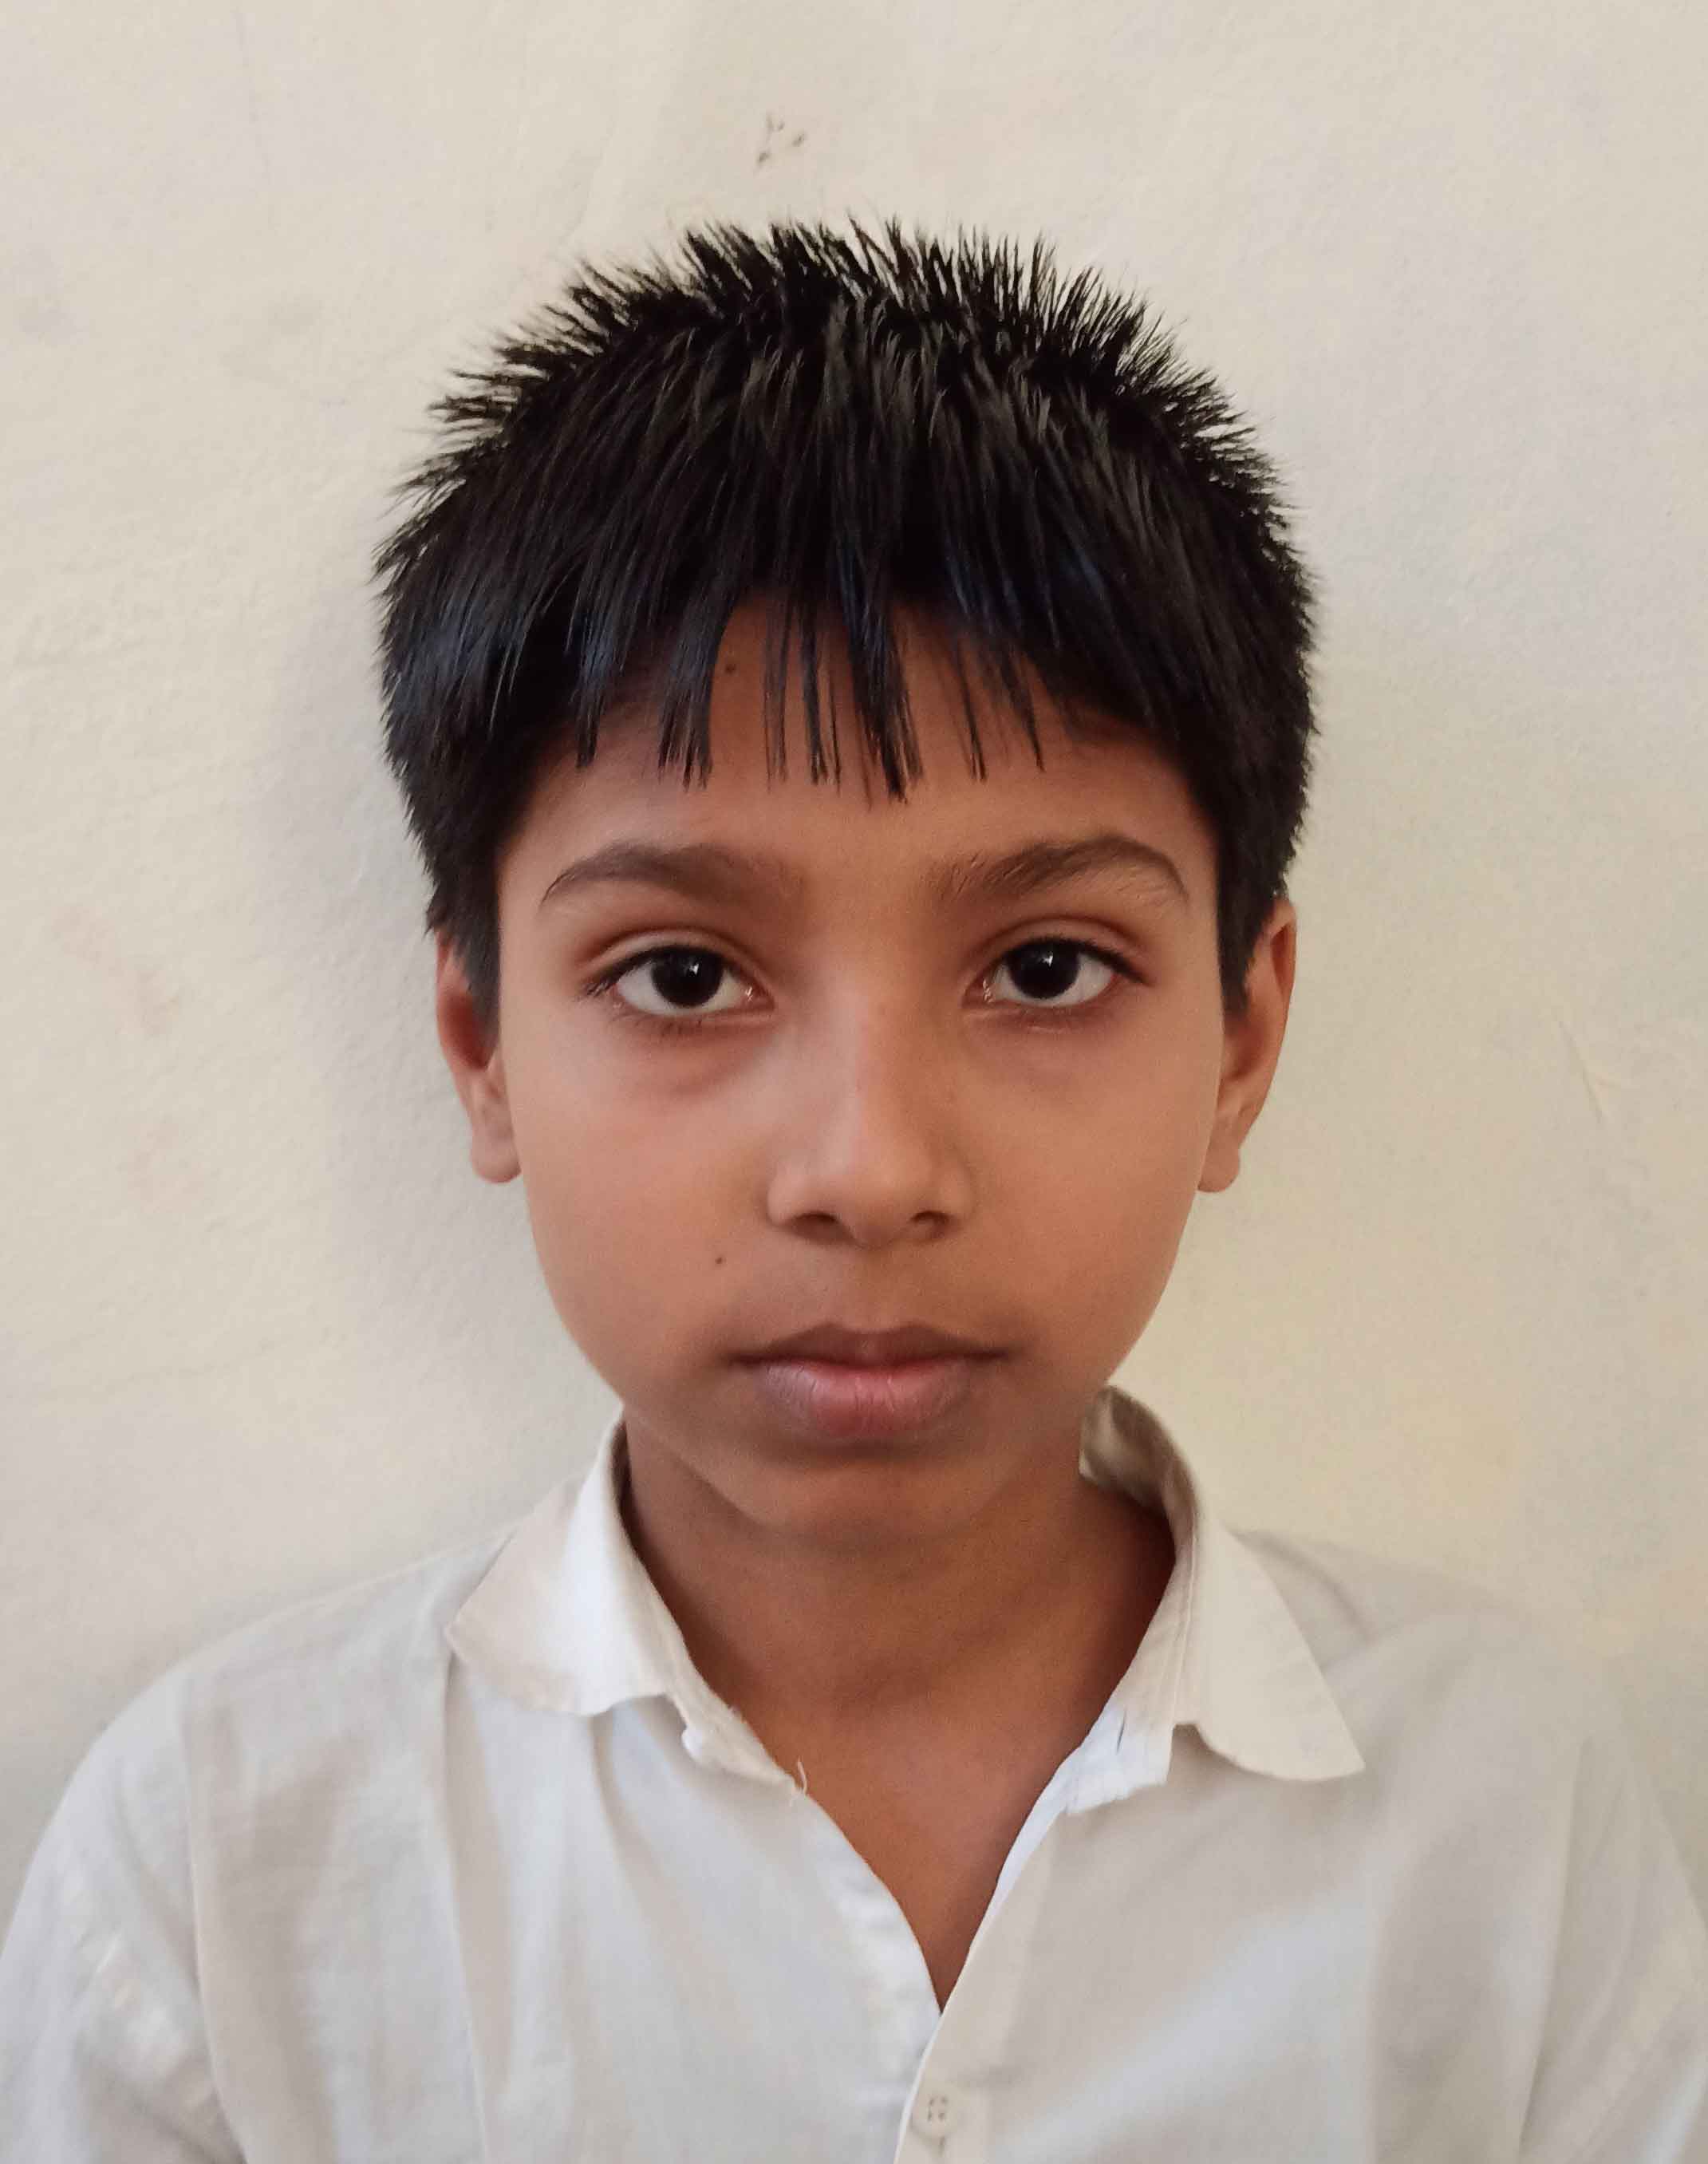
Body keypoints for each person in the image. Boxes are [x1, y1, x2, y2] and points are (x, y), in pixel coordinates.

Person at [2, 215, 1703, 2162]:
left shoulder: (1500, 1822)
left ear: (1242, 1040)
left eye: (1045, 968)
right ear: (480, 1043)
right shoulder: (224, 1876)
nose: (872, 1171)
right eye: (683, 976)